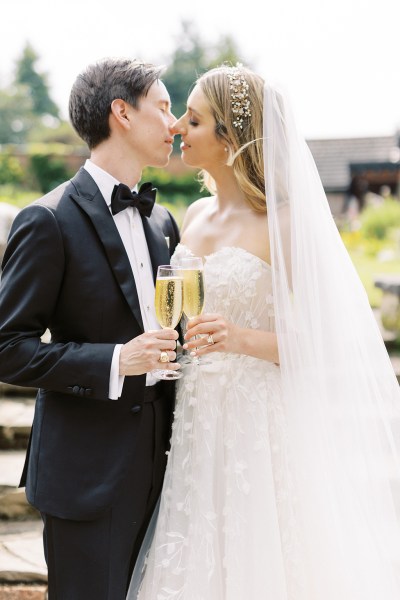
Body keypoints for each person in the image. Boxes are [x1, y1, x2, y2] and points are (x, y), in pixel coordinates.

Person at [127, 64, 400, 599]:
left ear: (230, 136)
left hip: (260, 427)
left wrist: (240, 339)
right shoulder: (195, 214)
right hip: (196, 423)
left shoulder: (286, 222)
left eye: (195, 119)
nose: (179, 126)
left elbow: (328, 345)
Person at [0, 58, 181, 600]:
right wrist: (115, 360)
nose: (174, 124)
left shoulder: (161, 221)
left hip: (168, 464)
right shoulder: (47, 219)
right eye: (165, 107)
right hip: (88, 473)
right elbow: (8, 348)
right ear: (121, 113)